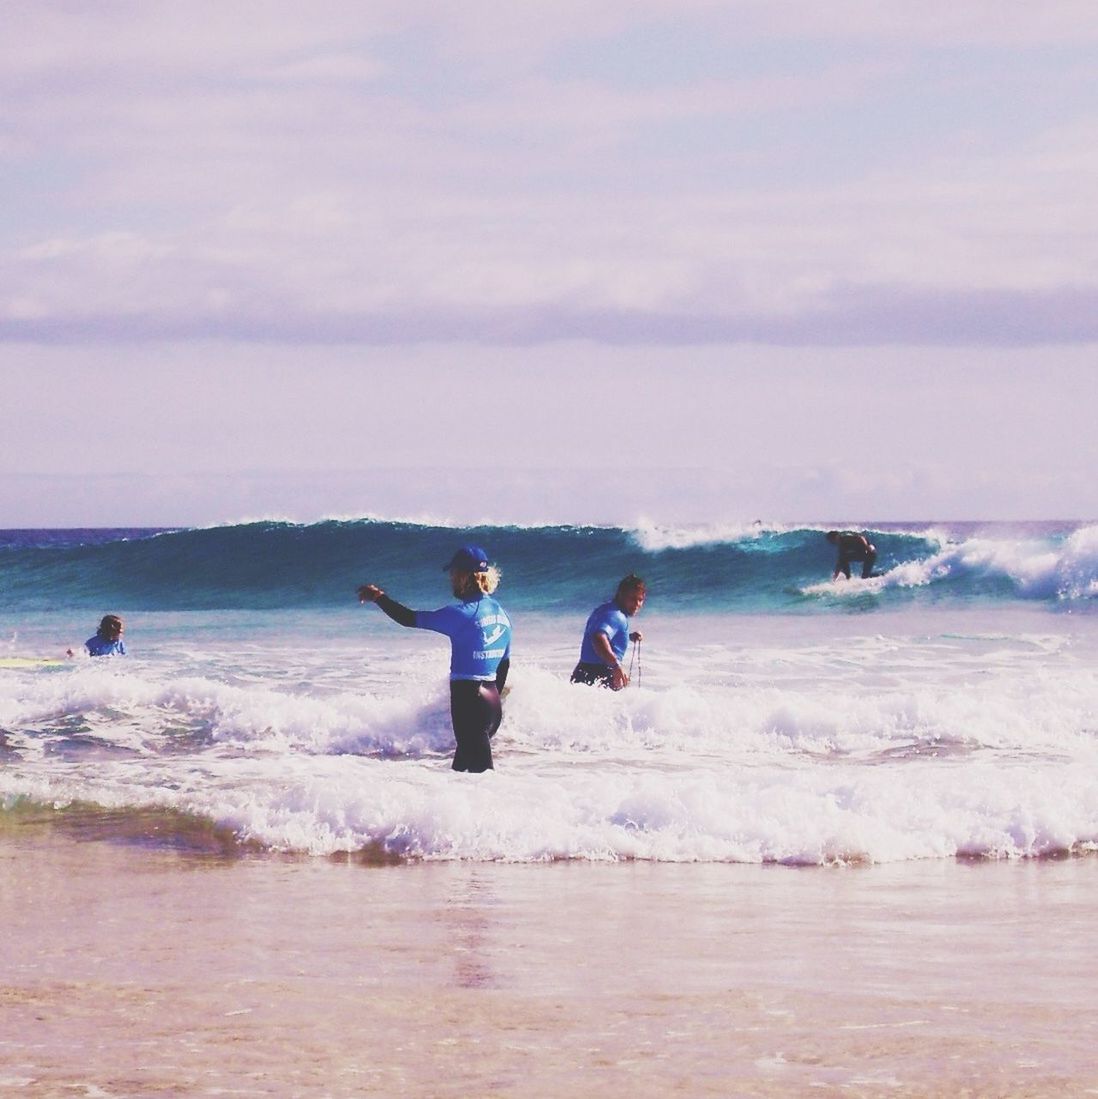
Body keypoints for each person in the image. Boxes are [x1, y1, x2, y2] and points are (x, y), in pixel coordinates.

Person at [357, 545, 511, 773]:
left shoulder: (462, 614)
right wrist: (488, 706)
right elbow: (503, 666)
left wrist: (379, 597)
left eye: (453, 573)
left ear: (464, 576)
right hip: (491, 704)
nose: (450, 579)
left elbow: (409, 618)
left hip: (470, 703)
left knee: (482, 783)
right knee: (461, 776)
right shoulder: (500, 614)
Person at [571, 574, 646, 690]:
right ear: (621, 595)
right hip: (598, 675)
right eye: (632, 599)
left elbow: (603, 636)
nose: (637, 604)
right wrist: (616, 666)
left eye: (640, 600)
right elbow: (598, 638)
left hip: (583, 672)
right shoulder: (615, 615)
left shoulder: (607, 609)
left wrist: (629, 636)